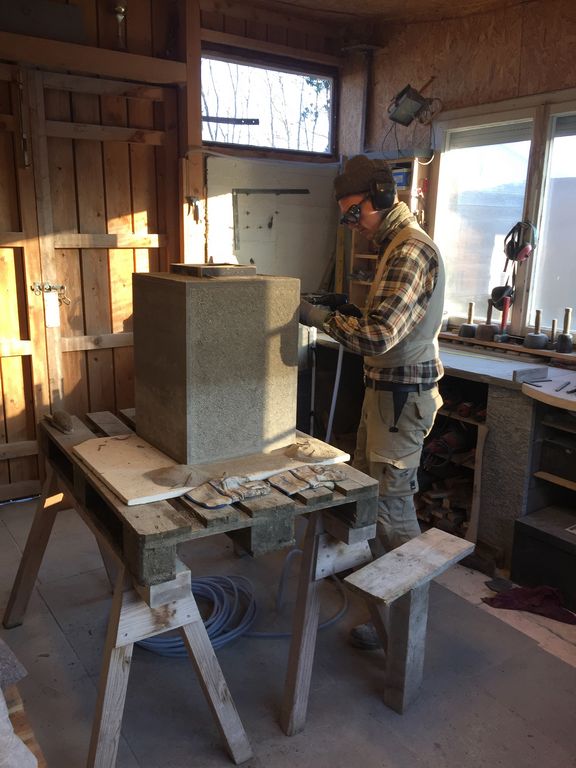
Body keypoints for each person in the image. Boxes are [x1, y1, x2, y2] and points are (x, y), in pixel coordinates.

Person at [299, 155, 445, 649]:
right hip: (387, 396)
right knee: (370, 502)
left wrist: (319, 319)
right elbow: (384, 320)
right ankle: (385, 615)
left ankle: (407, 633)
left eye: (354, 211)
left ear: (382, 198)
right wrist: (348, 310)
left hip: (401, 400)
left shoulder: (409, 251)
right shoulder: (392, 247)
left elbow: (379, 336)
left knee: (391, 514)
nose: (352, 223)